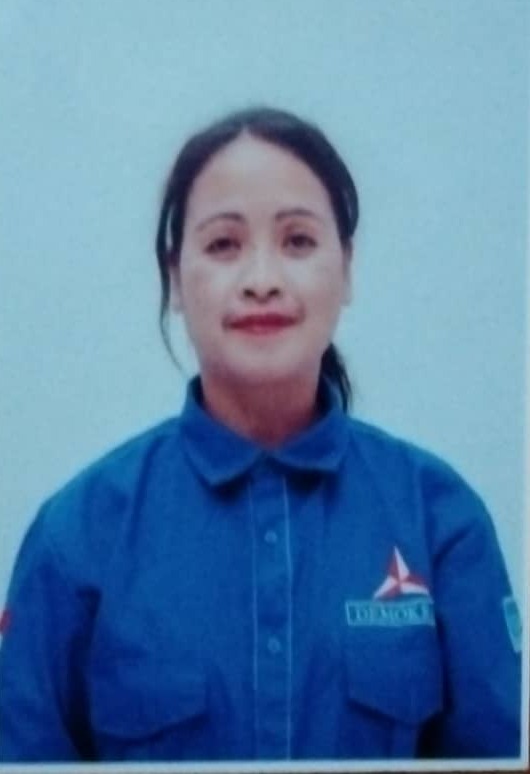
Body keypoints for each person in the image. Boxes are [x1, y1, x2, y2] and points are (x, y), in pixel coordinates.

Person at [0, 107, 522, 763]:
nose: (262, 281)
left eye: (298, 241)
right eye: (223, 245)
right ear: (175, 279)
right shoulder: (77, 534)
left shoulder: (439, 518)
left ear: (346, 268)